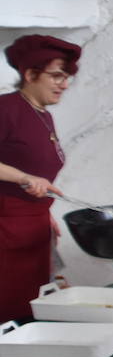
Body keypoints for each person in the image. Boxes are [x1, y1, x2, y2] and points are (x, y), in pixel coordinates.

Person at [0, 35, 81, 322]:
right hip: (6, 226)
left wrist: (42, 211)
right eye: (57, 75)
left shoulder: (42, 114)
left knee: (30, 304)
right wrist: (24, 178)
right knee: (7, 306)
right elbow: (25, 175)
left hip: (32, 224)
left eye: (67, 76)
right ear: (30, 74)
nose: (64, 84)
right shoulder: (6, 108)